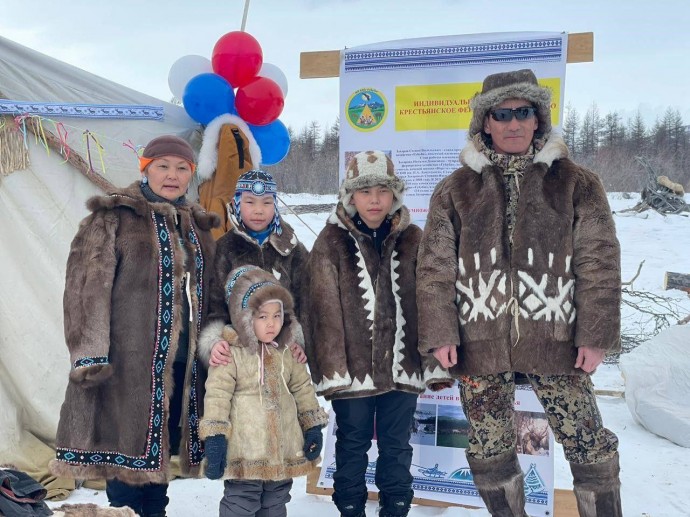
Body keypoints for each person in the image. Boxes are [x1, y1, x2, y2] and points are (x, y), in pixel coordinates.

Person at [416, 69, 622, 517]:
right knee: (489, 445)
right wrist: (441, 333)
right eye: (502, 114)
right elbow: (434, 268)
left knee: (589, 440)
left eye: (523, 113)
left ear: (537, 119)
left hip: (557, 340)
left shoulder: (576, 183)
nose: (513, 123)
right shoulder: (454, 190)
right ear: (485, 123)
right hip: (479, 341)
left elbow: (600, 261)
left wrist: (595, 333)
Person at [51, 135, 226, 517]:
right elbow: (85, 290)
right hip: (125, 363)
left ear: (191, 174)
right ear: (144, 167)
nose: (172, 175)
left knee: (158, 460)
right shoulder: (113, 218)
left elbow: (213, 293)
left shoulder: (197, 226)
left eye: (182, 168)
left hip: (180, 363)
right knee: (125, 462)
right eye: (162, 166)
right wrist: (91, 355)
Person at [302, 151, 453, 517]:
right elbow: (320, 310)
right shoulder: (331, 241)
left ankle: (395, 508)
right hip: (353, 371)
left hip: (402, 368)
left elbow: (430, 302)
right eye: (365, 191)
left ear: (395, 196)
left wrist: (431, 363)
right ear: (350, 196)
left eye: (382, 191)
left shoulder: (413, 239)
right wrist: (334, 371)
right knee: (352, 444)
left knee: (397, 445)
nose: (374, 199)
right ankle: (350, 508)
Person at [201, 266, 328, 517]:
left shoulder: (287, 351)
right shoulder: (231, 353)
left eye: (277, 315)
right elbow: (217, 397)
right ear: (243, 317)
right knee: (241, 503)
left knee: (276, 502)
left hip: (283, 449)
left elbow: (302, 388)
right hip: (245, 450)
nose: (271, 324)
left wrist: (312, 426)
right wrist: (215, 438)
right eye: (262, 317)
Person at [198, 169, 309, 369]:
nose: (259, 210)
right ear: (237, 203)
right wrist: (214, 341)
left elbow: (306, 302)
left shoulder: (292, 249)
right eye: (250, 202)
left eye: (266, 202)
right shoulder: (224, 248)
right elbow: (214, 306)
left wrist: (299, 340)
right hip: (239, 359)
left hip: (284, 355)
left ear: (275, 205)